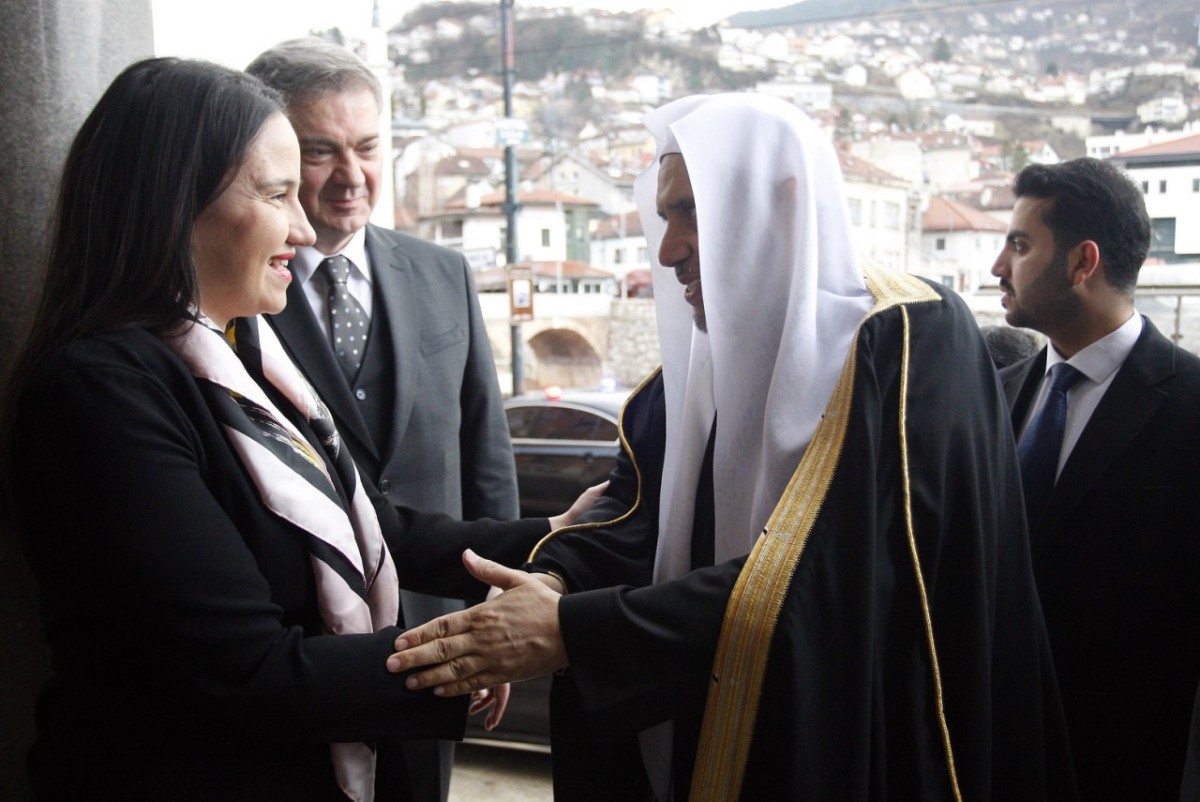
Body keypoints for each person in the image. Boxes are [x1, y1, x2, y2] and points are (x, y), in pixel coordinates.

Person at [386, 94, 1074, 800]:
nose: (668, 251)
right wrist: (554, 582)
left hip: (855, 740)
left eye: (692, 212)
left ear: (780, 203)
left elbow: (846, 573)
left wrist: (575, 629)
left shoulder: (908, 338)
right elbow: (633, 517)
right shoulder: (682, 380)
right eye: (665, 217)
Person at [0, 57, 595, 801]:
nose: (305, 227)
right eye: (278, 193)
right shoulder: (100, 392)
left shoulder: (241, 354)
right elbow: (247, 668)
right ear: (175, 202)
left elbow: (368, 527)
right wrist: (480, 650)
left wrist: (555, 536)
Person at [244, 39, 520, 802]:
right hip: (303, 650)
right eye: (320, 152)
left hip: (437, 633)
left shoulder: (444, 272)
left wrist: (494, 613)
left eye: (367, 148)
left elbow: (485, 455)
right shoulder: (236, 292)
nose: (351, 176)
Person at [991, 157, 1200, 799]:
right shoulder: (992, 397)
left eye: (1020, 245)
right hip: (993, 750)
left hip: (1127, 762)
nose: (998, 266)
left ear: (1083, 263)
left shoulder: (1191, 405)